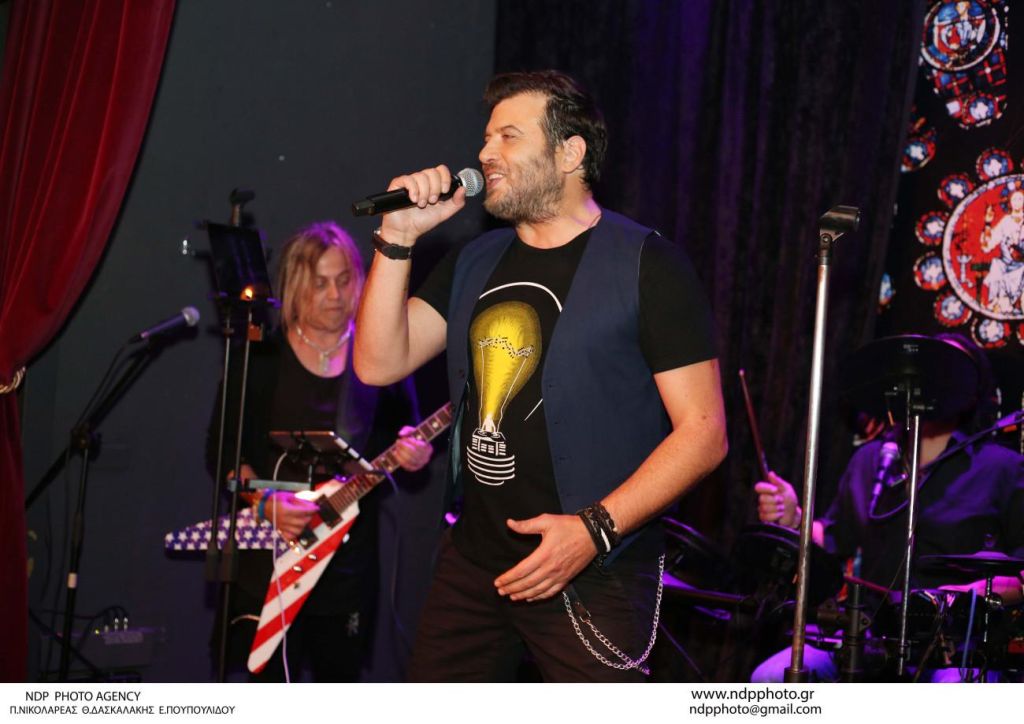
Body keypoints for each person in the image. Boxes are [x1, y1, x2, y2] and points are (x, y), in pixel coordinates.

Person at [354, 70, 728, 681]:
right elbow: (376, 364)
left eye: (508, 136)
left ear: (570, 153)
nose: (484, 153)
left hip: (597, 566)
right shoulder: (474, 259)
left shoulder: (647, 264)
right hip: (476, 563)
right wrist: (396, 239)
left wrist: (593, 530)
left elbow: (705, 432)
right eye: (485, 138)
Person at [207, 221, 432, 682]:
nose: (334, 295)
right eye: (320, 283)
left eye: (343, 280)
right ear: (295, 286)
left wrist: (415, 452)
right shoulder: (262, 359)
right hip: (266, 564)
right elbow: (222, 450)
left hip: (346, 571)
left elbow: (409, 434)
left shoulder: (380, 357)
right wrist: (263, 502)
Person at [753, 333, 1024, 682]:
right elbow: (835, 539)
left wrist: (965, 597)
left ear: (973, 389)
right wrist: (795, 520)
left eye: (950, 368)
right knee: (770, 677)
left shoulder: (1003, 468)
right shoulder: (870, 460)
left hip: (958, 646)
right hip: (868, 636)